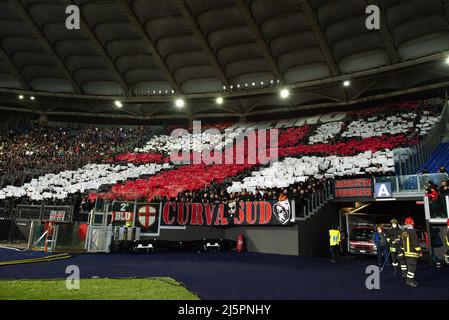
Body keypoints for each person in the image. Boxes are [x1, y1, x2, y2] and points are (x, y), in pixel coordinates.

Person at [400, 217, 422, 287]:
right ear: (412, 223)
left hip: (406, 253)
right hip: (412, 253)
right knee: (412, 268)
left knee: (410, 267)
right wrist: (420, 251)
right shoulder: (413, 232)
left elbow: (402, 243)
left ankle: (411, 280)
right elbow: (416, 244)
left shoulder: (403, 232)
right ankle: (409, 281)